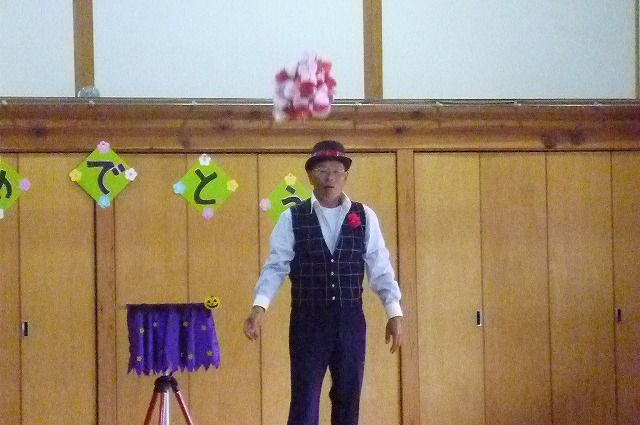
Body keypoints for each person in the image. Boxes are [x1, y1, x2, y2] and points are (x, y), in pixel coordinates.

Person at [243, 140, 403, 425]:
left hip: (350, 320)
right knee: (304, 399)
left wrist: (394, 312)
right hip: (308, 321)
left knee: (348, 397)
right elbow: (276, 266)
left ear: (346, 176)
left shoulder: (365, 216)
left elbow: (380, 267)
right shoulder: (292, 217)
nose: (330, 177)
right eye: (322, 170)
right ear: (310, 176)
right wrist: (259, 307)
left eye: (337, 171)